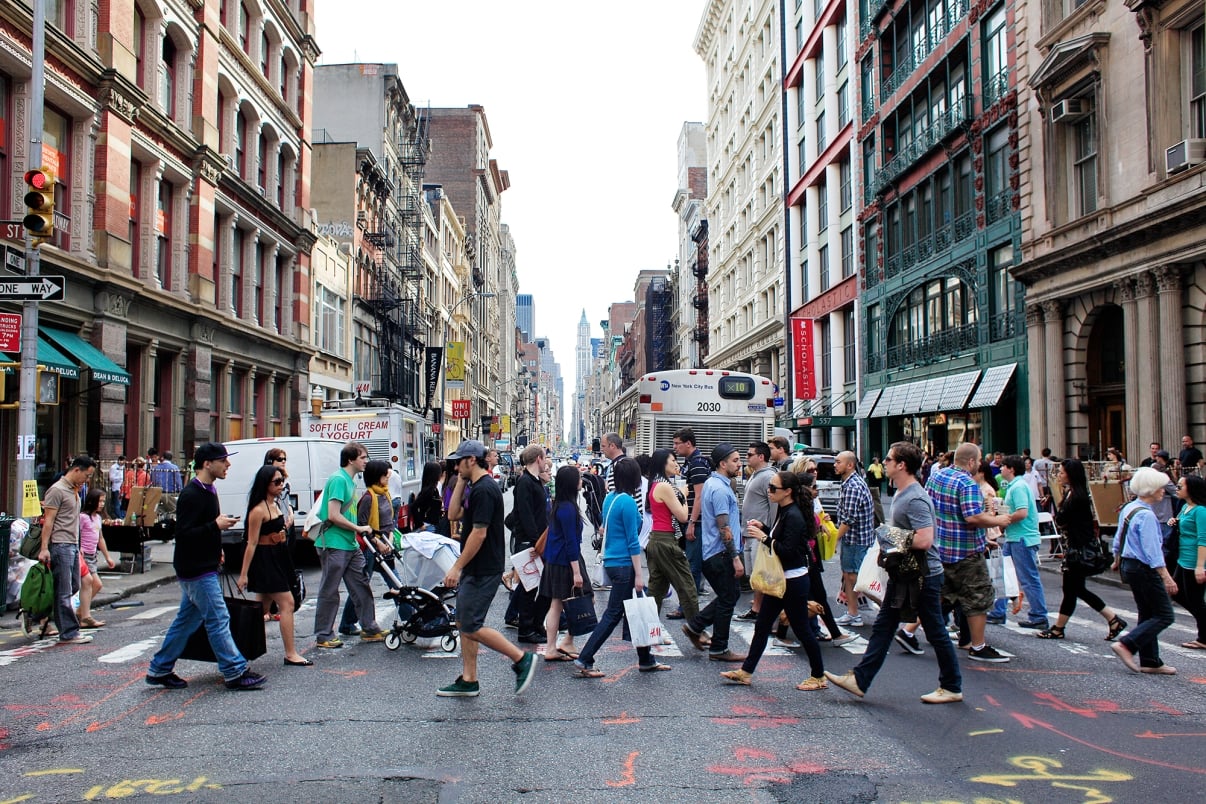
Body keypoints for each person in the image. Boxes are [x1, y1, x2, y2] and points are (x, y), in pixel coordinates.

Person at [826, 441, 964, 704]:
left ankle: (952, 686)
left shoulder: (915, 497)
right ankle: (860, 679)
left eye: (888, 459)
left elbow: (925, 539)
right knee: (884, 625)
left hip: (923, 574)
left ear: (901, 465)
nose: (884, 463)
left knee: (934, 630)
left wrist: (889, 535)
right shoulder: (903, 493)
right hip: (908, 573)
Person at [146, 443, 266, 690]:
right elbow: (185, 533)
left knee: (187, 621)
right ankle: (234, 671)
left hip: (202, 564)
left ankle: (159, 668)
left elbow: (203, 527)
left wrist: (217, 544)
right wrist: (215, 526)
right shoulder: (192, 494)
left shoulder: (209, 489)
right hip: (196, 568)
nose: (228, 464)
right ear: (207, 464)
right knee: (218, 618)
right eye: (223, 460)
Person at [438, 440, 536, 697]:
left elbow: (478, 535)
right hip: (476, 567)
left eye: (459, 461)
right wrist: (460, 479)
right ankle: (469, 679)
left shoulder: (484, 490)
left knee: (470, 625)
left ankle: (521, 659)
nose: (455, 465)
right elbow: (452, 514)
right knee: (463, 622)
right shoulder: (474, 486)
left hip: (483, 568)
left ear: (471, 460)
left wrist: (456, 567)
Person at [721, 470, 827, 690]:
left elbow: (788, 550)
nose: (769, 492)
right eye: (769, 487)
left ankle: (818, 676)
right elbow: (782, 538)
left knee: (801, 629)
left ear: (787, 491)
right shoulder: (785, 510)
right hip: (780, 580)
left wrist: (764, 538)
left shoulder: (794, 514)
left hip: (793, 581)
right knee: (762, 625)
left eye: (773, 488)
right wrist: (765, 529)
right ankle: (746, 672)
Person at [572, 457, 671, 677]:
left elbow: (605, 527)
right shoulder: (626, 502)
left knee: (639, 610)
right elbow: (632, 541)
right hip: (624, 565)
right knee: (613, 614)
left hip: (612, 562)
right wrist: (638, 574)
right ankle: (584, 658)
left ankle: (646, 659)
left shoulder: (610, 498)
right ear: (635, 477)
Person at [925, 443, 1013, 663]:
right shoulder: (967, 483)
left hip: (941, 547)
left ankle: (907, 631)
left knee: (943, 595)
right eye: (980, 459)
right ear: (972, 461)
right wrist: (998, 520)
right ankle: (978, 645)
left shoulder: (937, 476)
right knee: (978, 597)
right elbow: (973, 517)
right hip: (965, 550)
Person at [1037, 459, 1126, 641]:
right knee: (1074, 589)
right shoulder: (1074, 494)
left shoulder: (1077, 497)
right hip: (1075, 548)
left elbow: (1061, 519)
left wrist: (1057, 499)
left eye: (1061, 472)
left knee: (1074, 589)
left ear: (1071, 474)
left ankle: (1060, 628)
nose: (1059, 476)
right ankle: (1111, 619)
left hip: (1078, 550)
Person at [312, 443, 386, 649]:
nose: (366, 461)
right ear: (351, 459)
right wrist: (359, 528)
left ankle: (369, 628)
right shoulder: (338, 480)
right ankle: (324, 634)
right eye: (363, 457)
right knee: (330, 589)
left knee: (361, 584)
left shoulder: (350, 481)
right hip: (334, 543)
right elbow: (333, 515)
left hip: (349, 543)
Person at [237, 465, 310, 666]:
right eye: (276, 482)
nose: (281, 485)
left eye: (282, 481)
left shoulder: (275, 504)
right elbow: (251, 543)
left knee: (262, 610)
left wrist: (286, 526)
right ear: (265, 484)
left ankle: (239, 649)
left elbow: (278, 529)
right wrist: (244, 574)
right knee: (287, 603)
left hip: (278, 556)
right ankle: (290, 653)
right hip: (264, 560)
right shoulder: (258, 509)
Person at [682, 443, 746, 662]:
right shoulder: (719, 489)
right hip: (721, 553)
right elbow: (723, 527)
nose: (740, 464)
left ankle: (696, 626)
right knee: (729, 598)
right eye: (736, 460)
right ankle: (718, 647)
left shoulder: (715, 483)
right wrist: (735, 557)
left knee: (730, 595)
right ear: (722, 463)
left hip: (714, 552)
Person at [1111, 467, 1179, 675]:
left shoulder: (1130, 508)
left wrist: (1116, 558)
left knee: (1147, 611)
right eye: (1160, 488)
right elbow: (1153, 552)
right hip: (1144, 567)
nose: (1163, 492)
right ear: (1150, 489)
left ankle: (1150, 660)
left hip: (1130, 565)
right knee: (1165, 615)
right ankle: (1128, 644)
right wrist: (1167, 577)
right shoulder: (1148, 516)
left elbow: (1118, 537)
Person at [38, 455, 98, 644]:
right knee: (64, 590)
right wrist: (44, 548)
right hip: (60, 544)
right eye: (86, 476)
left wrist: (78, 546)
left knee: (73, 585)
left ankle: (45, 618)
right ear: (76, 470)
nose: (87, 480)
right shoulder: (57, 490)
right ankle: (69, 632)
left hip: (72, 545)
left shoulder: (74, 490)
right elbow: (48, 521)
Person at [988, 455, 1049, 629]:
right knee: (1003, 575)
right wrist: (1001, 512)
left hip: (1022, 538)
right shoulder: (1015, 486)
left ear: (1011, 469)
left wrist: (1004, 520)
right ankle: (999, 612)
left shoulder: (1019, 487)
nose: (1000, 469)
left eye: (1003, 466)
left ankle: (1039, 615)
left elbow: (1022, 512)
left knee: (1028, 578)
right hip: (1015, 537)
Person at [538, 466, 591, 661]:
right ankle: (560, 643)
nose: (581, 481)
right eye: (578, 478)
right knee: (576, 599)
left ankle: (558, 644)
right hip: (566, 561)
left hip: (558, 560)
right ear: (571, 482)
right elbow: (570, 542)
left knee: (557, 603)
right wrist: (576, 572)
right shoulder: (567, 508)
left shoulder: (561, 504)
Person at [644, 449, 701, 624]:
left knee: (657, 589)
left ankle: (648, 631)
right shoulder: (664, 486)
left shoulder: (658, 483)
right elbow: (683, 516)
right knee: (687, 585)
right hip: (666, 540)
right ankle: (696, 628)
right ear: (663, 463)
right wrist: (683, 496)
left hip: (657, 540)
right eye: (673, 460)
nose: (676, 463)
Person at [510, 444, 551, 644]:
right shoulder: (525, 482)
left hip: (537, 542)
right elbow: (526, 515)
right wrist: (536, 543)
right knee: (529, 589)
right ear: (538, 459)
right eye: (544, 459)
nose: (546, 463)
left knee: (537, 587)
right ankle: (526, 630)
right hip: (530, 543)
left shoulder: (534, 481)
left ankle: (535, 625)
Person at [834, 451, 876, 627]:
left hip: (857, 539)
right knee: (850, 576)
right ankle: (853, 612)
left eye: (838, 462)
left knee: (856, 578)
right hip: (856, 538)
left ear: (850, 465)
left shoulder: (853, 486)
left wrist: (833, 540)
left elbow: (849, 520)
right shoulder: (850, 483)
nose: (835, 465)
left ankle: (884, 612)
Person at [738, 442, 776, 622]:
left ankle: (761, 609)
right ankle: (757, 607)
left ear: (761, 457)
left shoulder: (768, 476)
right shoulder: (756, 475)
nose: (747, 457)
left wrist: (768, 531)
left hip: (760, 535)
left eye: (750, 454)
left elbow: (774, 507)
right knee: (754, 574)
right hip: (750, 533)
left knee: (760, 574)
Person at [673, 428, 712, 597]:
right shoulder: (691, 462)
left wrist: (692, 522)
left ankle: (688, 607)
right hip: (693, 521)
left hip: (697, 522)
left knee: (692, 565)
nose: (675, 447)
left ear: (688, 443)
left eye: (677, 443)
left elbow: (699, 496)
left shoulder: (697, 463)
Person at [1171, 474, 1206, 650]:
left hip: (1194, 561)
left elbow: (1203, 539)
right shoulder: (1185, 507)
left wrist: (1200, 566)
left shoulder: (1201, 511)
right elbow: (1182, 523)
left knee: (1195, 600)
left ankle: (1203, 637)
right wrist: (1174, 521)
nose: (1177, 489)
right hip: (1182, 558)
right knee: (1176, 592)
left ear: (1190, 489)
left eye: (1180, 486)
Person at [76, 488, 115, 629]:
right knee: (93, 583)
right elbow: (77, 534)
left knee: (95, 584)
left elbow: (100, 539)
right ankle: (83, 615)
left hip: (92, 556)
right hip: (83, 555)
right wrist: (79, 549)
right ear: (92, 501)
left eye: (104, 501)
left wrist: (108, 557)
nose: (102, 504)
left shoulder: (97, 518)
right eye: (100, 501)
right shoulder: (82, 517)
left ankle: (81, 612)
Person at [410, 460, 445, 531]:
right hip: (428, 525)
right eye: (439, 472)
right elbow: (414, 506)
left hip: (432, 524)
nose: (440, 474)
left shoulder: (433, 489)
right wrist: (420, 524)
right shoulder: (429, 491)